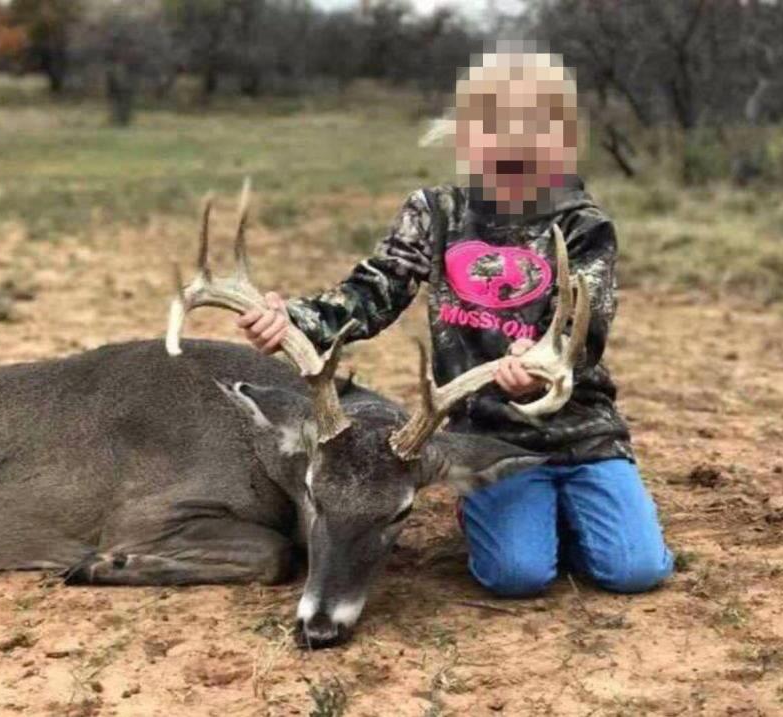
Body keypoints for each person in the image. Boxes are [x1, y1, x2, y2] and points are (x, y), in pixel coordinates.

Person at [237, 44, 674, 597]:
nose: (513, 140)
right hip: (483, 438)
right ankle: (499, 513)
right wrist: (294, 320)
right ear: (465, 137)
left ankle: (575, 508)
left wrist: (543, 362)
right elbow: (372, 292)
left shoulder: (585, 226)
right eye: (494, 126)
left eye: (536, 127)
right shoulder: (435, 214)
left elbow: (584, 330)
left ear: (564, 142)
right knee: (517, 576)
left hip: (583, 435)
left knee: (636, 571)